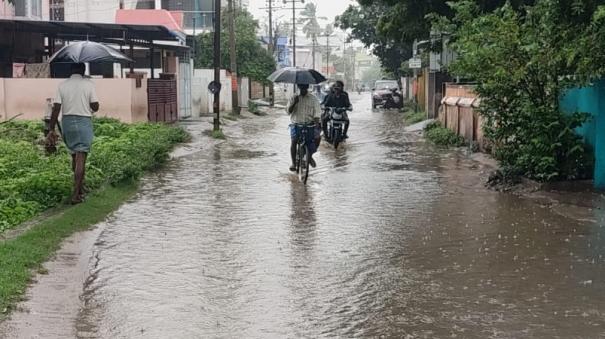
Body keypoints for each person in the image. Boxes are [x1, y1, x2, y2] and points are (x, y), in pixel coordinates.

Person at [46, 63, 99, 204]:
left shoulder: (62, 85)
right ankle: (76, 195)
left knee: (75, 156)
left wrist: (51, 128)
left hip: (67, 123)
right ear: (83, 71)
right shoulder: (89, 85)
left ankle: (80, 188)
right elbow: (95, 106)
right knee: (81, 157)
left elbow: (56, 108)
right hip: (83, 122)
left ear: (70, 71)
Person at [287, 83, 321, 172]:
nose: (303, 89)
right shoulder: (293, 97)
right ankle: (294, 163)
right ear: (298, 87)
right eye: (301, 87)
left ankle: (309, 157)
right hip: (296, 124)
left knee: (317, 138)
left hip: (309, 124)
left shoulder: (313, 99)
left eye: (304, 87)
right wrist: (294, 102)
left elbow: (317, 112)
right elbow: (288, 111)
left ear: (307, 87)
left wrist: (317, 124)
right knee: (294, 141)